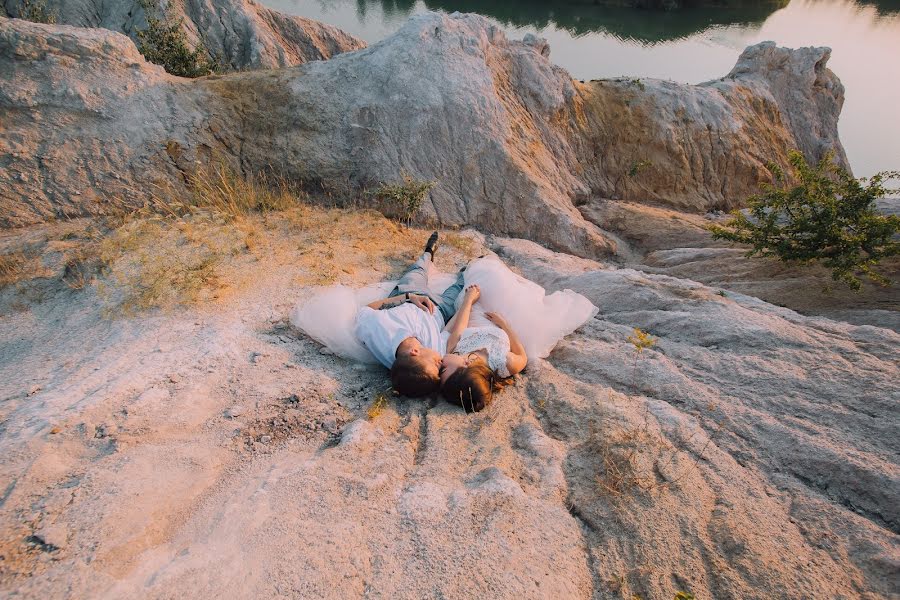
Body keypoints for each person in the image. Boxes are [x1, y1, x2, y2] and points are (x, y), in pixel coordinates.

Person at [437, 254, 599, 413]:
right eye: (444, 370)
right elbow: (522, 354)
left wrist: (469, 299)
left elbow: (460, 322)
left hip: (472, 309)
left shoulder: (453, 350)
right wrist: (505, 325)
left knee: (483, 281)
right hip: (499, 321)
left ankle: (479, 264)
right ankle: (480, 264)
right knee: (496, 282)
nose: (441, 366)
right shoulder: (505, 363)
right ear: (466, 365)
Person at [353, 232, 466, 397]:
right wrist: (465, 304)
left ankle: (428, 252)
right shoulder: (436, 353)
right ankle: (467, 269)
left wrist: (408, 297)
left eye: (436, 364)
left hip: (410, 295)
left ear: (414, 352)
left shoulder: (377, 331)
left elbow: (366, 309)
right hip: (441, 310)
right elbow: (452, 333)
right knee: (459, 289)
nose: (440, 363)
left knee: (417, 270)